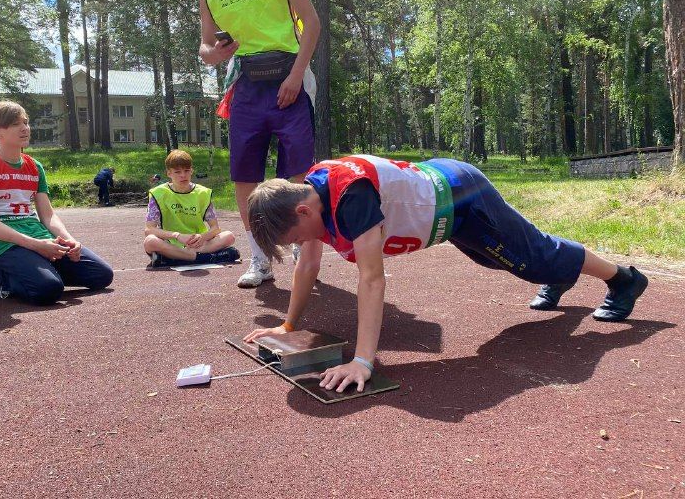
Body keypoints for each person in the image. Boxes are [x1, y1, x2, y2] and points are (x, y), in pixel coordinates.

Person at [243, 155, 649, 393]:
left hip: (462, 197)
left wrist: (363, 362)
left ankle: (623, 279)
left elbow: (372, 278)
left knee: (535, 257)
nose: (304, 242)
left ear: (302, 210)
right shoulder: (309, 194)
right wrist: (288, 326)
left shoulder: (351, 197)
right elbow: (308, 265)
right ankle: (559, 272)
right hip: (442, 197)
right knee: (503, 260)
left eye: (298, 236)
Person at [198, 0, 320, 288]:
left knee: (298, 174)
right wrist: (214, 54)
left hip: (289, 77)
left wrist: (296, 76)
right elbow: (204, 45)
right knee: (245, 176)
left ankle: (301, 248)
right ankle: (260, 259)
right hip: (247, 85)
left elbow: (312, 22)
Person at [0, 100, 114, 304]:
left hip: (40, 237)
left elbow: (48, 216)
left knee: (101, 275)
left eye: (25, 122)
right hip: (5, 245)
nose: (25, 128)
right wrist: (36, 246)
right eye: (15, 124)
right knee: (48, 290)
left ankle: (40, 271)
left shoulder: (34, 166)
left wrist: (69, 240)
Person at [144, 149, 239, 268]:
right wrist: (177, 235)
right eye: (177, 172)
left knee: (229, 236)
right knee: (150, 241)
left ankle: (175, 258)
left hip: (199, 243)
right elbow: (149, 230)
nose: (183, 175)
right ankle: (201, 258)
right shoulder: (158, 194)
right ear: (169, 173)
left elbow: (215, 228)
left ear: (191, 171)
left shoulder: (202, 193)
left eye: (186, 171)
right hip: (171, 242)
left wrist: (202, 237)